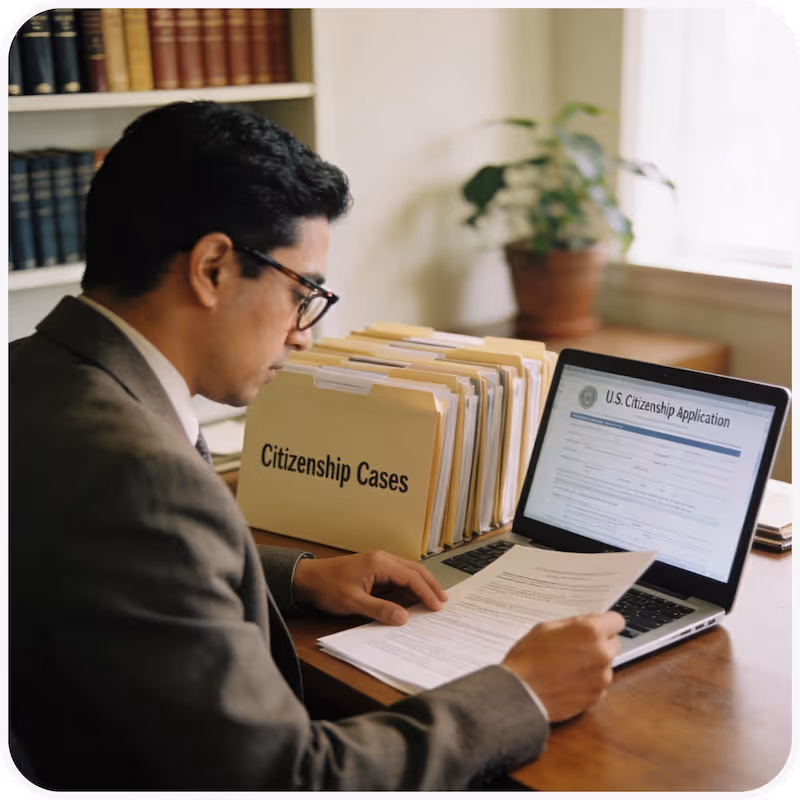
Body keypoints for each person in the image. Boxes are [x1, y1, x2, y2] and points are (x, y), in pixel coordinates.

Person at [8, 101, 624, 790]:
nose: (305, 333)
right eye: (306, 291)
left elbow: (118, 568)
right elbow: (294, 778)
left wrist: (296, 576)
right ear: (212, 267)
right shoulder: (143, 480)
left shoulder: (29, 375)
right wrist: (523, 690)